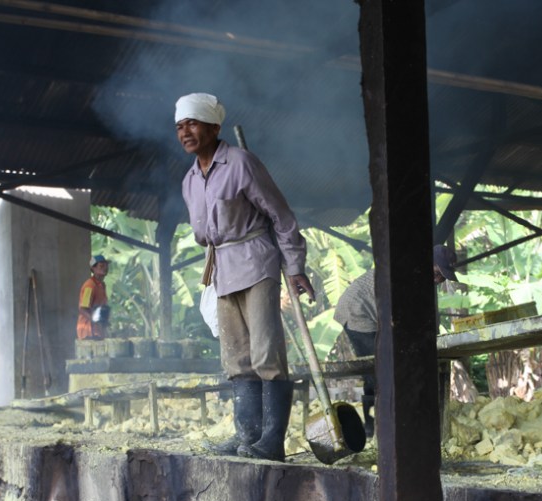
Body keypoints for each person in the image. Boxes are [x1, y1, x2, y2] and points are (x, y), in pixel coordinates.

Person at [176, 92, 315, 462]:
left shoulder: (241, 163)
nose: (185, 132)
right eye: (179, 126)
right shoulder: (190, 179)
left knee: (266, 353)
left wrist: (296, 267)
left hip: (256, 264)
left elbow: (281, 216)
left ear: (214, 127)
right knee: (236, 358)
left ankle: (272, 442)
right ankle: (246, 437)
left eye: (192, 123)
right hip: (222, 270)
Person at [333, 245, 460, 437]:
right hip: (358, 310)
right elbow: (396, 317)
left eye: (442, 276)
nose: (437, 279)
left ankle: (389, 422)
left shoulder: (417, 277)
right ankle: (376, 427)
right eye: (435, 272)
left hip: (373, 311)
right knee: (376, 369)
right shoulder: (405, 273)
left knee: (381, 367)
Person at [77, 254, 111, 340]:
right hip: (87, 330)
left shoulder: (102, 285)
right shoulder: (89, 286)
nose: (105, 268)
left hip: (97, 330)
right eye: (101, 266)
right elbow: (82, 308)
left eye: (106, 265)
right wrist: (95, 320)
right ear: (93, 268)